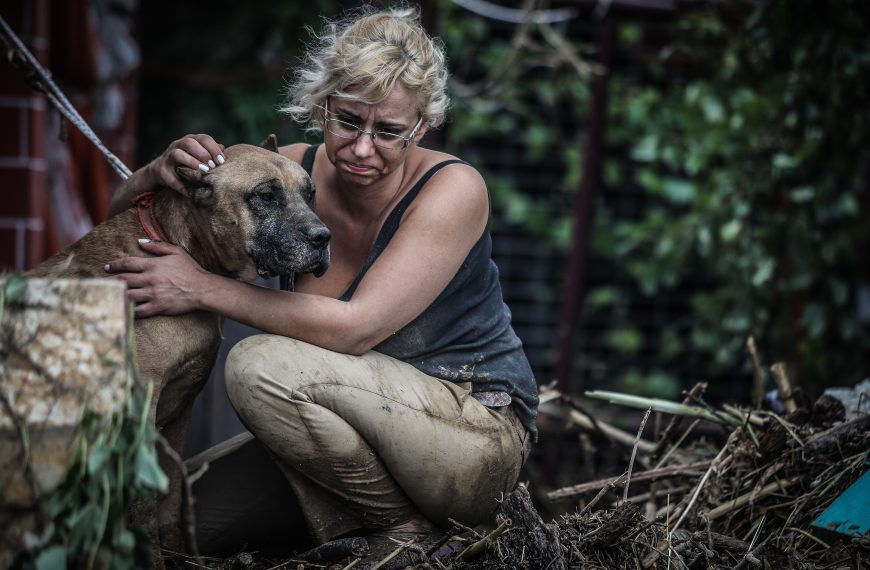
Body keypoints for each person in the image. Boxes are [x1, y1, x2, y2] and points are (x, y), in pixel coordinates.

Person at [106, 5, 539, 559]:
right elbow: (124, 228)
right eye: (348, 121)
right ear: (323, 106)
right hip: (345, 438)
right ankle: (358, 520)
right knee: (183, 527)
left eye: (388, 132)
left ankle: (404, 531)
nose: (362, 148)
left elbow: (355, 330)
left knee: (258, 365)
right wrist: (154, 174)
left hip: (471, 435)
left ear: (421, 127)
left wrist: (200, 288)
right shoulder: (281, 175)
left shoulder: (453, 188)